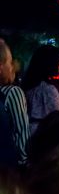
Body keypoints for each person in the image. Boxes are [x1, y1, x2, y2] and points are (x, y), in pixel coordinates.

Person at [0, 38, 30, 170]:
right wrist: (24, 162)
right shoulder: (13, 92)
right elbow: (21, 131)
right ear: (0, 67)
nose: (13, 67)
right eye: (10, 62)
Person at [22, 44, 59, 135]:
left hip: (27, 130)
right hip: (42, 133)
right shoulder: (48, 89)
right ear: (52, 63)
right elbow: (58, 113)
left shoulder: (30, 82)